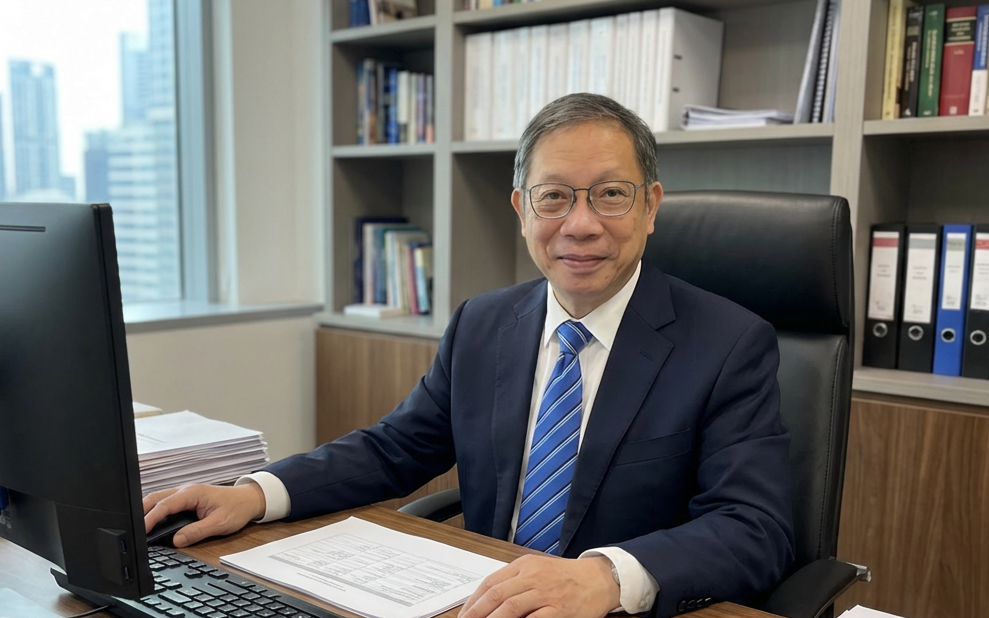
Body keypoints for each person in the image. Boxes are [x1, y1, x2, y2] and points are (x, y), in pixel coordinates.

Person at [144, 93, 794, 618]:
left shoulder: (727, 343)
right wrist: (257, 494)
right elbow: (395, 448)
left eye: (610, 193)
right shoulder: (484, 322)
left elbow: (753, 528)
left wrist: (604, 577)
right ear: (520, 209)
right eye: (554, 195)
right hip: (475, 600)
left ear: (650, 206)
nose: (580, 224)